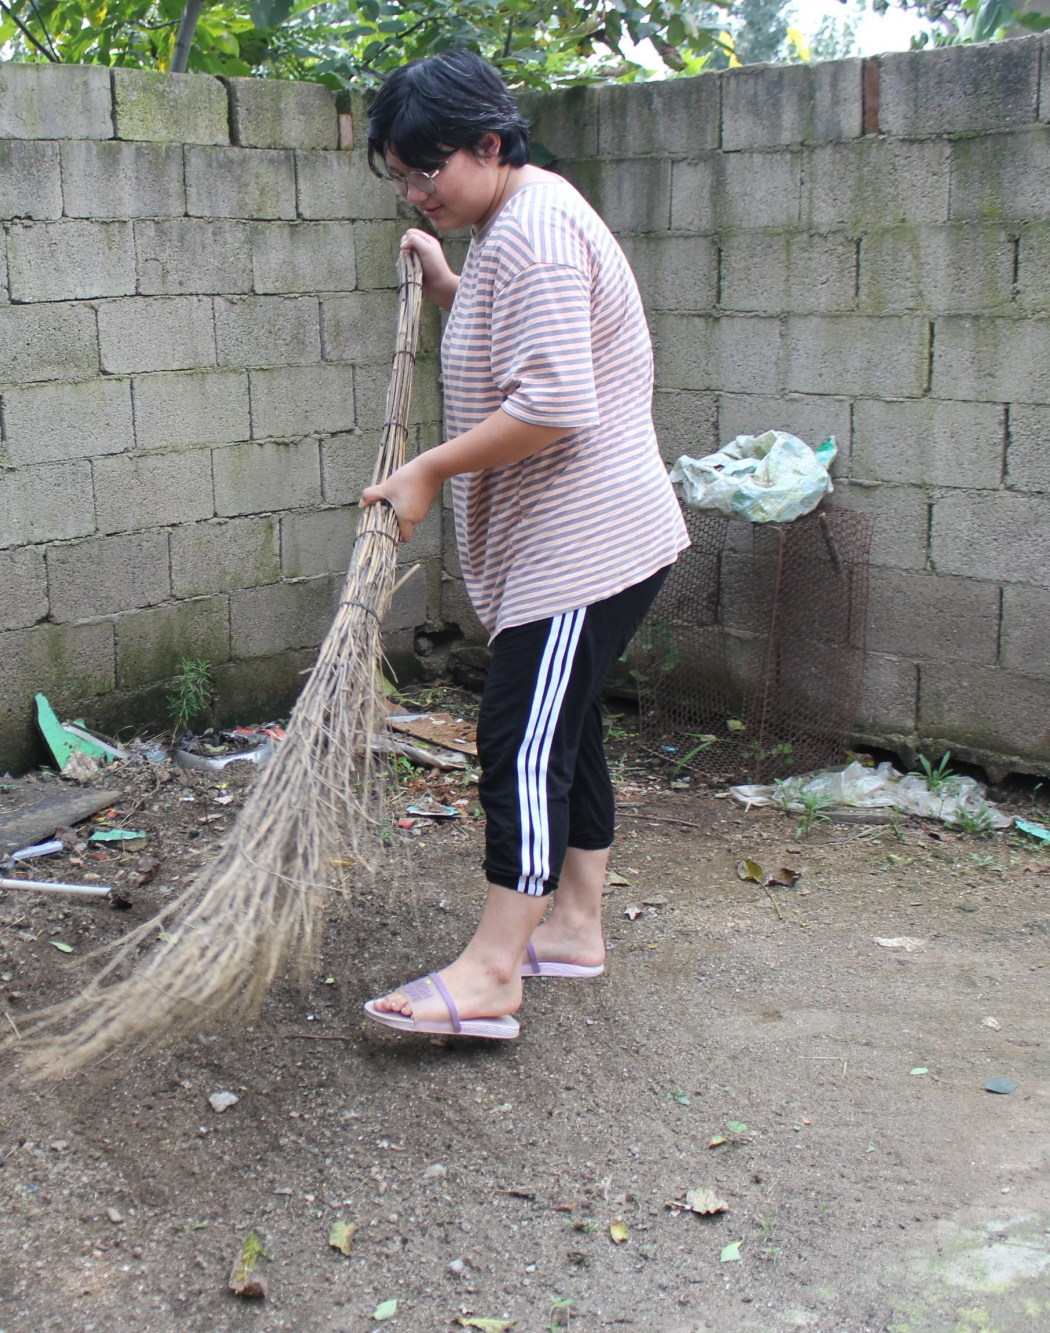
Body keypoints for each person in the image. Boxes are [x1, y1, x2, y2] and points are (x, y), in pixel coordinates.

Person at [359, 50, 689, 1041]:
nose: (416, 193)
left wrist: (427, 471)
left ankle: (494, 968)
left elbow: (550, 400)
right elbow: (529, 337)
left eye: (429, 172)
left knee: (517, 735)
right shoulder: (513, 218)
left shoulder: (535, 228)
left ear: (488, 145)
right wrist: (448, 277)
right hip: (584, 537)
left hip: (584, 539)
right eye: (402, 178)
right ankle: (574, 927)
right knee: (565, 721)